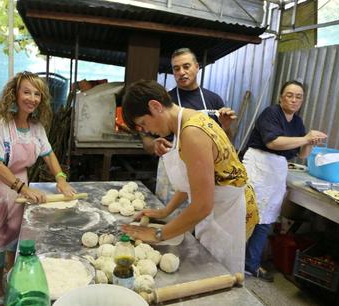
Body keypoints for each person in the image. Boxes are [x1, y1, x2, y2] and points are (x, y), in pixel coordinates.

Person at [120, 80, 258, 274]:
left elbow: (202, 205)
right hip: (219, 206)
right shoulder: (188, 120)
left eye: (144, 123)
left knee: (219, 276)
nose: (148, 131)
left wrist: (157, 234)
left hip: (227, 212)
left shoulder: (192, 133)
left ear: (155, 106)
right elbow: (193, 181)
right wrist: (165, 211)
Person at [0, 71, 76, 306]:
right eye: (26, 91)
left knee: (15, 238)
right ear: (15, 93)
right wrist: (23, 189)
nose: (32, 98)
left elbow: (48, 155)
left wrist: (60, 178)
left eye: (37, 93)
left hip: (18, 184)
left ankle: (13, 280)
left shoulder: (36, 126)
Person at [243, 80, 327, 282]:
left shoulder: (297, 122)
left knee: (266, 220)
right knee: (246, 216)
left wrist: (311, 143)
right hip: (258, 166)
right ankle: (228, 261)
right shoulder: (271, 113)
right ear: (281, 97)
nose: (294, 99)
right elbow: (274, 141)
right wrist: (306, 138)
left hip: (277, 171)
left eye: (299, 96)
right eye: (289, 95)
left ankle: (250, 265)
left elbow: (302, 154)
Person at [142, 48, 236, 205]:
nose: (181, 72)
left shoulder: (213, 100)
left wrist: (225, 127)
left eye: (186, 66)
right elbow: (147, 139)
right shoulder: (165, 101)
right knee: (170, 217)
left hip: (204, 170)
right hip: (173, 174)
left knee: (200, 216)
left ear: (197, 67)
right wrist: (153, 145)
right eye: (176, 68)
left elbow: (225, 143)